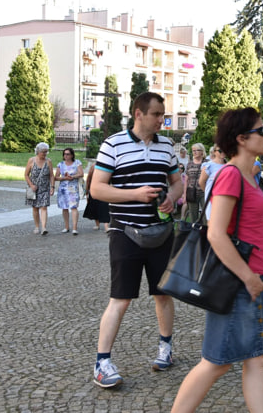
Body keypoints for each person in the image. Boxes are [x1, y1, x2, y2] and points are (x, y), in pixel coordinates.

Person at [171, 107, 263, 413]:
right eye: (262, 131)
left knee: (256, 358)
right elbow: (216, 234)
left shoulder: (248, 175)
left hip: (251, 280)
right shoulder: (230, 175)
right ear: (242, 139)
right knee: (217, 363)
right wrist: (249, 277)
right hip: (239, 281)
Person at [89, 92, 183, 388]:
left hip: (161, 231)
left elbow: (178, 182)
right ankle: (102, 362)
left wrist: (172, 198)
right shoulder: (113, 144)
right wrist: (135, 194)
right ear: (138, 113)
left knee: (163, 294)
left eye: (163, 115)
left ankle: (165, 349)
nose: (161, 120)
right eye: (156, 114)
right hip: (124, 232)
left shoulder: (166, 145)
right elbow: (97, 190)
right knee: (121, 298)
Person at [24, 142, 55, 235]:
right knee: (35, 208)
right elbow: (26, 175)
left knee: (44, 207)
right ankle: (37, 226)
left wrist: (52, 187)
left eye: (46, 152)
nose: (45, 154)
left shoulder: (48, 161)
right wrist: (31, 185)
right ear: (38, 151)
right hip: (34, 189)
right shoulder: (31, 161)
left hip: (45, 188)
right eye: (43, 152)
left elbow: (51, 176)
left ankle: (44, 227)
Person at [55, 148, 84, 235]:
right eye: (64, 154)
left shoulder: (77, 163)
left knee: (74, 207)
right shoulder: (60, 164)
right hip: (63, 189)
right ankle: (66, 227)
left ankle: (74, 228)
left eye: (68, 154)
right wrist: (64, 178)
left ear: (72, 155)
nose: (66, 156)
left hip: (73, 189)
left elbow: (81, 173)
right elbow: (56, 177)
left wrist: (73, 176)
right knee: (64, 208)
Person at [182, 143, 206, 222]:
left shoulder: (207, 163)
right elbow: (186, 180)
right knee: (193, 216)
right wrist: (185, 195)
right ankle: (195, 232)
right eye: (193, 150)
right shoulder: (189, 164)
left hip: (204, 192)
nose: (194, 152)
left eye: (197, 150)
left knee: (206, 216)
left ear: (202, 152)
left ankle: (205, 232)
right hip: (191, 193)